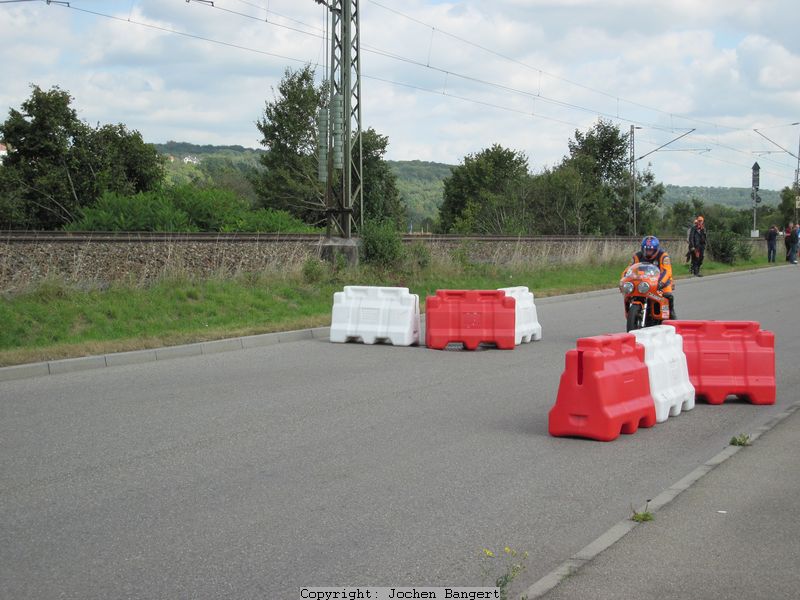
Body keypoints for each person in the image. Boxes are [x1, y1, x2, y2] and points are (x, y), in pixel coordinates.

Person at [631, 235, 676, 319]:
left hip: (661, 281)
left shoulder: (663, 256)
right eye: (646, 249)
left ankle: (671, 315)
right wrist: (624, 281)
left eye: (650, 250)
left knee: (667, 295)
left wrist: (660, 283)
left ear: (655, 249)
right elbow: (629, 270)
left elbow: (667, 271)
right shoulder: (637, 256)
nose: (648, 252)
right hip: (644, 282)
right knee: (633, 294)